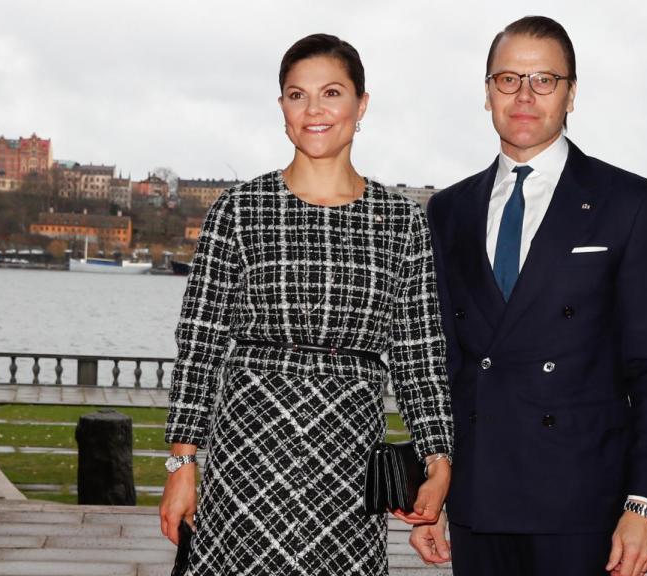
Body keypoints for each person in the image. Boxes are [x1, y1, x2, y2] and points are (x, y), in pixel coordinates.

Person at [159, 33, 454, 576]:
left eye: (332, 93)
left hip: (348, 461)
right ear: (282, 109)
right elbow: (199, 344)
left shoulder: (401, 221)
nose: (314, 110)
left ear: (361, 105)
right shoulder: (239, 210)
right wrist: (182, 465)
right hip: (246, 461)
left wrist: (439, 459)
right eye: (297, 96)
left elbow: (419, 357)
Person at [413, 16, 647, 576]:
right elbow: (445, 364)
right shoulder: (450, 209)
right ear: (487, 92)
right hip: (478, 494)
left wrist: (644, 504)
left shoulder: (628, 201)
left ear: (571, 93)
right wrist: (435, 485)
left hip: (583, 499)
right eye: (508, 80)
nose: (525, 96)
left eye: (544, 80)